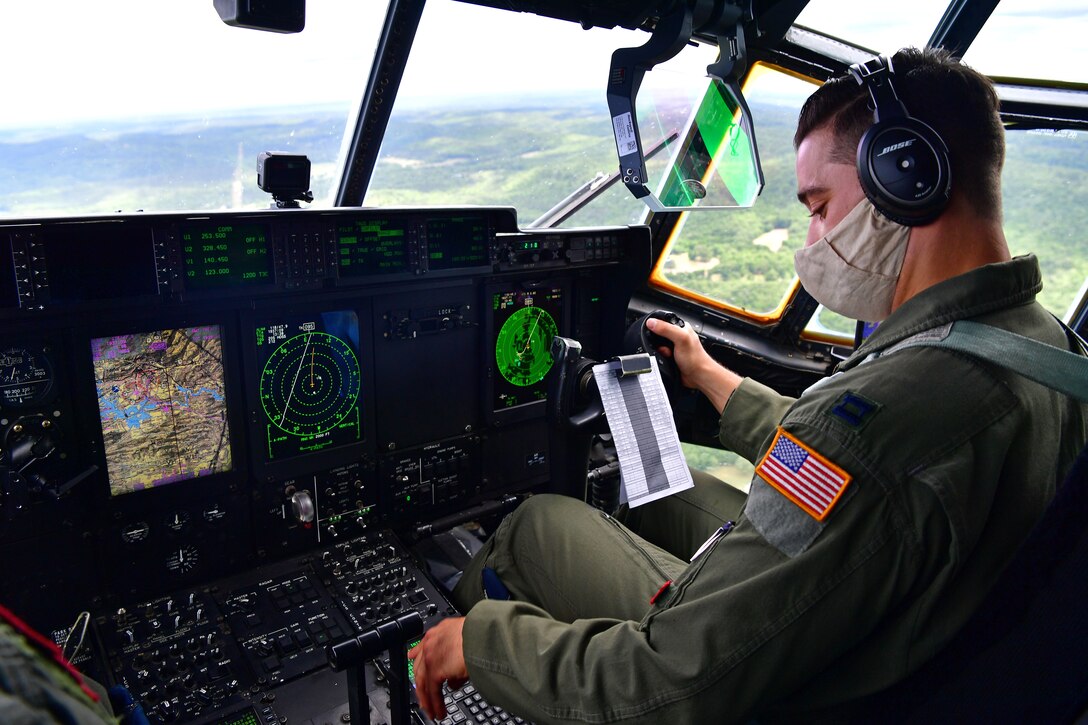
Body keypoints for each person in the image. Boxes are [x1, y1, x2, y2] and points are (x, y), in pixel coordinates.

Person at [408, 47, 1088, 723]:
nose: (814, 237)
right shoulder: (1048, 347)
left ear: (904, 176)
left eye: (820, 207)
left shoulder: (883, 422)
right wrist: (709, 378)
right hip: (912, 646)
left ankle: (436, 656)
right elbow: (850, 466)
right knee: (668, 486)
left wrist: (487, 641)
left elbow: (670, 680)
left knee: (537, 524)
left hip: (783, 687)